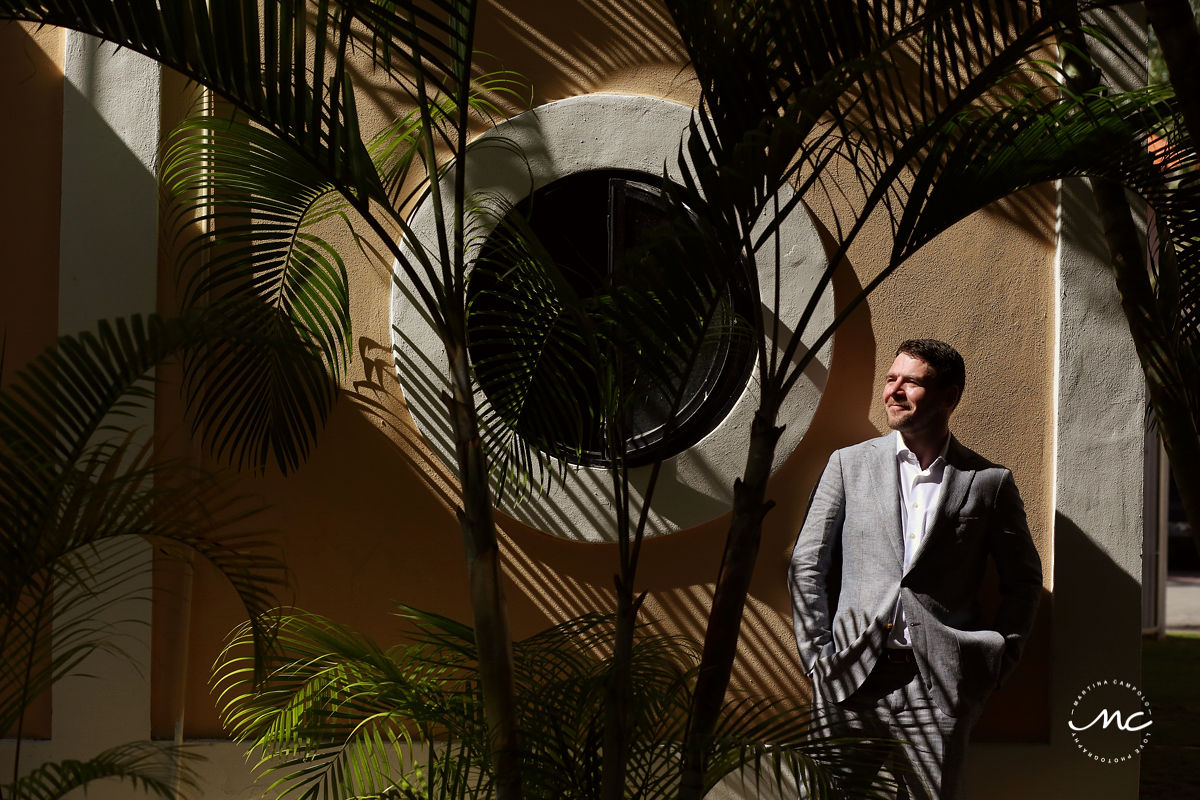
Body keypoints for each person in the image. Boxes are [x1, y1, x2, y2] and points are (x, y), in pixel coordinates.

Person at [788, 339, 1042, 800]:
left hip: (939, 681)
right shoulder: (849, 465)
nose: (894, 391)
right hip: (848, 676)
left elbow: (1023, 581)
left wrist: (997, 660)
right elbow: (808, 564)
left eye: (912, 382)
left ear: (949, 397)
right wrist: (817, 657)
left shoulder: (987, 482)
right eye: (891, 379)